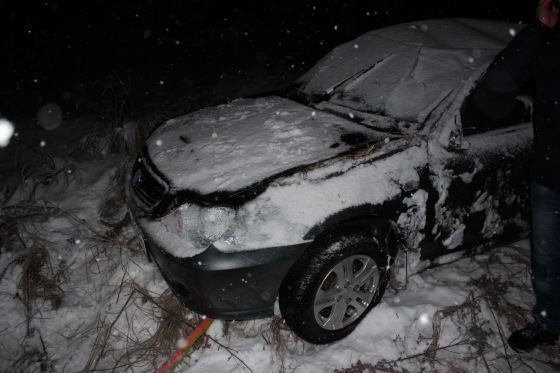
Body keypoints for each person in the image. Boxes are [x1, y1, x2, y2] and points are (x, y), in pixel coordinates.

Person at [483, 0, 560, 352]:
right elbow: (499, 82)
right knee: (546, 263)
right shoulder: (549, 38)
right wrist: (540, 28)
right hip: (550, 174)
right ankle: (549, 323)